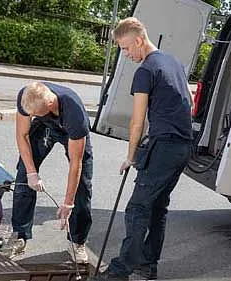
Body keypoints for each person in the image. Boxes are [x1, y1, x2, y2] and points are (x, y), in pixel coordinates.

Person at [94, 17, 192, 280]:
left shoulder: (146, 71)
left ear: (138, 40)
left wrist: (131, 157)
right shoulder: (173, 62)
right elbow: (188, 101)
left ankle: (119, 271)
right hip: (182, 147)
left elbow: (137, 121)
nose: (125, 55)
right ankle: (148, 266)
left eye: (126, 48)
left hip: (165, 148)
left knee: (137, 209)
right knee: (158, 207)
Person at [11, 81, 93, 263]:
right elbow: (22, 135)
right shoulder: (27, 95)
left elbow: (75, 163)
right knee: (24, 175)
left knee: (82, 186)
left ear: (49, 105)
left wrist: (68, 203)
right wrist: (32, 173)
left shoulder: (75, 114)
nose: (30, 116)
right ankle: (20, 235)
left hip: (71, 133)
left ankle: (78, 242)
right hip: (44, 126)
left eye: (34, 114)